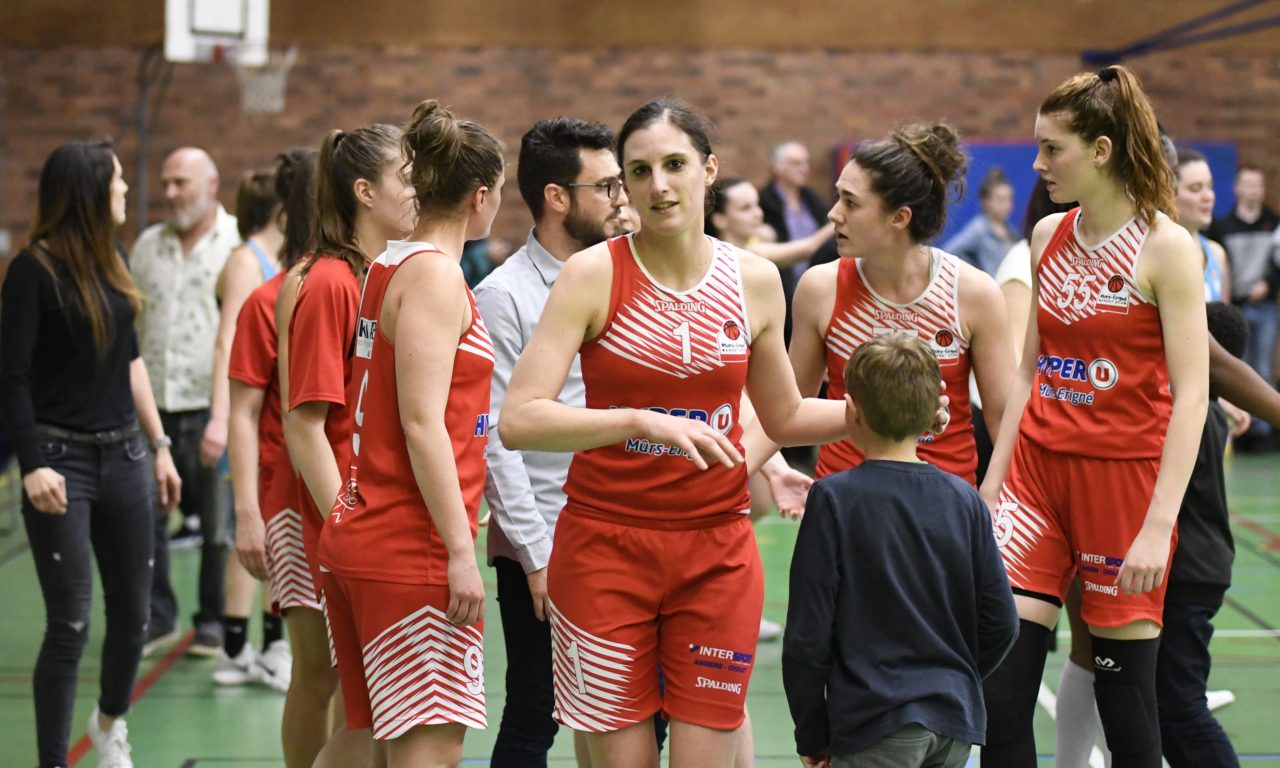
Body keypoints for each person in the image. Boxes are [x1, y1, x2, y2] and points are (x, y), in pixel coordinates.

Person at [500, 99, 849, 768]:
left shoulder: (754, 281)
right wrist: (634, 420)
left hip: (716, 554)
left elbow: (782, 417)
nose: (658, 184)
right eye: (640, 170)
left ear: (708, 171)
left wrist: (864, 415)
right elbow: (520, 419)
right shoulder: (592, 274)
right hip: (605, 550)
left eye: (675, 165)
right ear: (623, 186)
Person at [979, 65, 1209, 768]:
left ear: (1102, 150)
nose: (1038, 163)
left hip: (1126, 493)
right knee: (1002, 697)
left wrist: (1158, 527)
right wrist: (995, 482)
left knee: (1127, 708)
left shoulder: (1167, 247)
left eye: (1053, 148)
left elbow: (1192, 395)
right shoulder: (1047, 237)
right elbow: (1028, 371)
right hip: (1037, 482)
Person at [317, 99, 503, 768]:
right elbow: (423, 424)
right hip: (409, 547)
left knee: (363, 738)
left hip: (365, 536)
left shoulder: (390, 265)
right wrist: (459, 548)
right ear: (481, 197)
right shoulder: (434, 275)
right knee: (430, 746)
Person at [0, 139, 182, 768]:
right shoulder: (32, 272)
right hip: (61, 458)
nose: (127, 191)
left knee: (135, 614)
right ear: (87, 192)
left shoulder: (114, 258)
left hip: (125, 457)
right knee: (70, 622)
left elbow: (128, 360)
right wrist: (33, 463)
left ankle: (110, 721)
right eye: (117, 183)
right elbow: (12, 378)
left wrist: (159, 445)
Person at [783, 333, 1018, 768]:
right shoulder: (964, 499)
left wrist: (812, 732)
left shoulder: (834, 500)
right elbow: (1002, 621)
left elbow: (806, 637)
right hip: (953, 724)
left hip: (873, 722)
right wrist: (953, 682)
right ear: (935, 414)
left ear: (851, 412)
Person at [476, 116, 627, 768]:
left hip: (624, 525)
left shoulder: (628, 274)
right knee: (537, 710)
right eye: (607, 186)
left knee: (629, 711)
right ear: (558, 198)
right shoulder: (501, 296)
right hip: (544, 535)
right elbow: (496, 441)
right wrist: (537, 558)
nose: (620, 200)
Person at [277, 123, 413, 768]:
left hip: (365, 518)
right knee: (358, 714)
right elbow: (304, 423)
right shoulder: (331, 281)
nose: (419, 192)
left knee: (373, 714)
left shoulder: (379, 274)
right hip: (337, 521)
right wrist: (347, 522)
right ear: (365, 191)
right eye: (406, 179)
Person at [786, 123, 1014, 487]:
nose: (833, 214)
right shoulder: (820, 287)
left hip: (944, 506)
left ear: (899, 217)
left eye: (851, 202)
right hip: (845, 503)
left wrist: (991, 498)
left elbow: (1004, 421)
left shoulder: (973, 293)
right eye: (837, 197)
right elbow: (787, 416)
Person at [130, 146, 242, 656]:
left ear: (212, 183)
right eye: (167, 183)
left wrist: (226, 413)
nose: (171, 193)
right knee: (147, 517)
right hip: (152, 403)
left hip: (209, 402)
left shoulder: (235, 244)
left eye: (182, 184)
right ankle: (158, 616)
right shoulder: (147, 246)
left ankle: (213, 620)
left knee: (217, 525)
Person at [209, 164, 290, 690]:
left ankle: (267, 641)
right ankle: (237, 645)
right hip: (245, 415)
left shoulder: (286, 264)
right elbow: (227, 345)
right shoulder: (247, 262)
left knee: (267, 531)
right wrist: (220, 417)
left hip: (271, 417)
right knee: (249, 528)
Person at [1205, 165, 1279, 389]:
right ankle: (1243, 421)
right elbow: (1220, 268)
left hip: (1266, 305)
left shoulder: (1273, 223)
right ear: (1237, 189)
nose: (1254, 191)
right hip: (1236, 306)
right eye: (1249, 185)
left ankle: (1264, 424)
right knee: (1238, 367)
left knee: (1264, 368)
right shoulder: (1222, 228)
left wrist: (1269, 285)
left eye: (1258, 185)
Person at [758, 141, 839, 342]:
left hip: (816, 283)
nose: (804, 169)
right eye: (796, 163)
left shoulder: (812, 200)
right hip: (781, 285)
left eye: (806, 163)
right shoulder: (763, 202)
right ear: (778, 167)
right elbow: (810, 245)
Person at [707, 176, 834, 269]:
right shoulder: (749, 253)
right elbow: (809, 248)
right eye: (745, 208)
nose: (758, 213)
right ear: (720, 220)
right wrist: (838, 219)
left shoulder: (753, 242)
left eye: (757, 205)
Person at [1175, 150, 1232, 303]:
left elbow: (1225, 321)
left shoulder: (1217, 253)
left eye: (1210, 186)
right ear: (1167, 193)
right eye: (1196, 188)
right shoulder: (1153, 252)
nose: (1208, 196)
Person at [943, 166, 1017, 276]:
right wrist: (974, 276)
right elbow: (949, 252)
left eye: (1009, 199)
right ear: (986, 202)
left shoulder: (1011, 231)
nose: (1006, 206)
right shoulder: (978, 229)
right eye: (1001, 200)